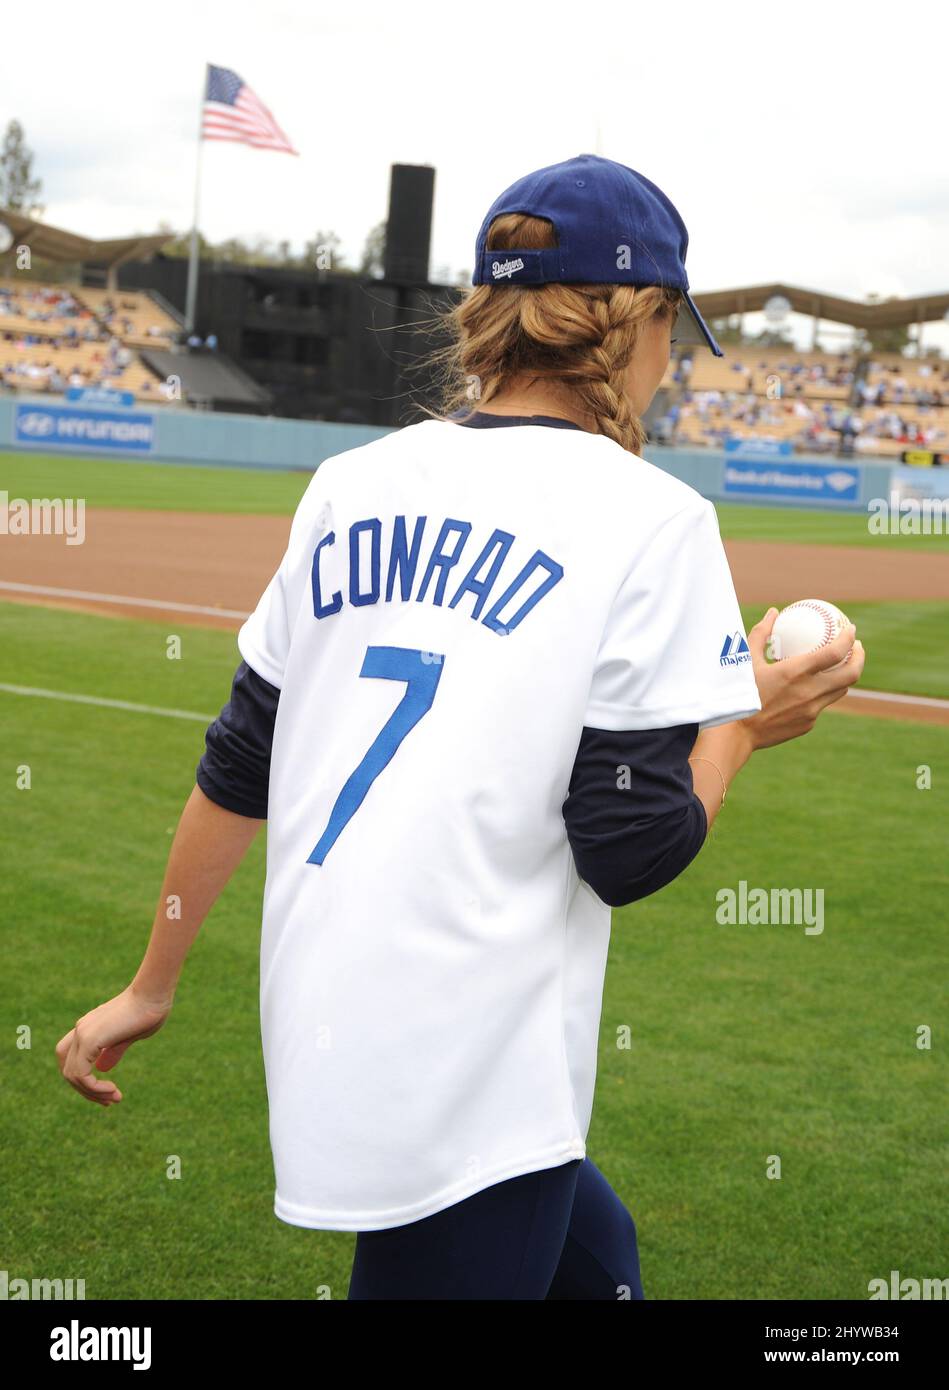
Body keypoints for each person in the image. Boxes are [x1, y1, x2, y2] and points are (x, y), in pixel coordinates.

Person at [55, 155, 865, 1301]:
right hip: (469, 1055)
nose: (671, 359)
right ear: (632, 322)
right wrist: (741, 724)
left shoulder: (348, 483)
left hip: (335, 1009)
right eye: (670, 329)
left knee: (598, 1261)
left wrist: (153, 980)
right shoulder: (655, 517)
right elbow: (628, 847)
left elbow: (244, 759)